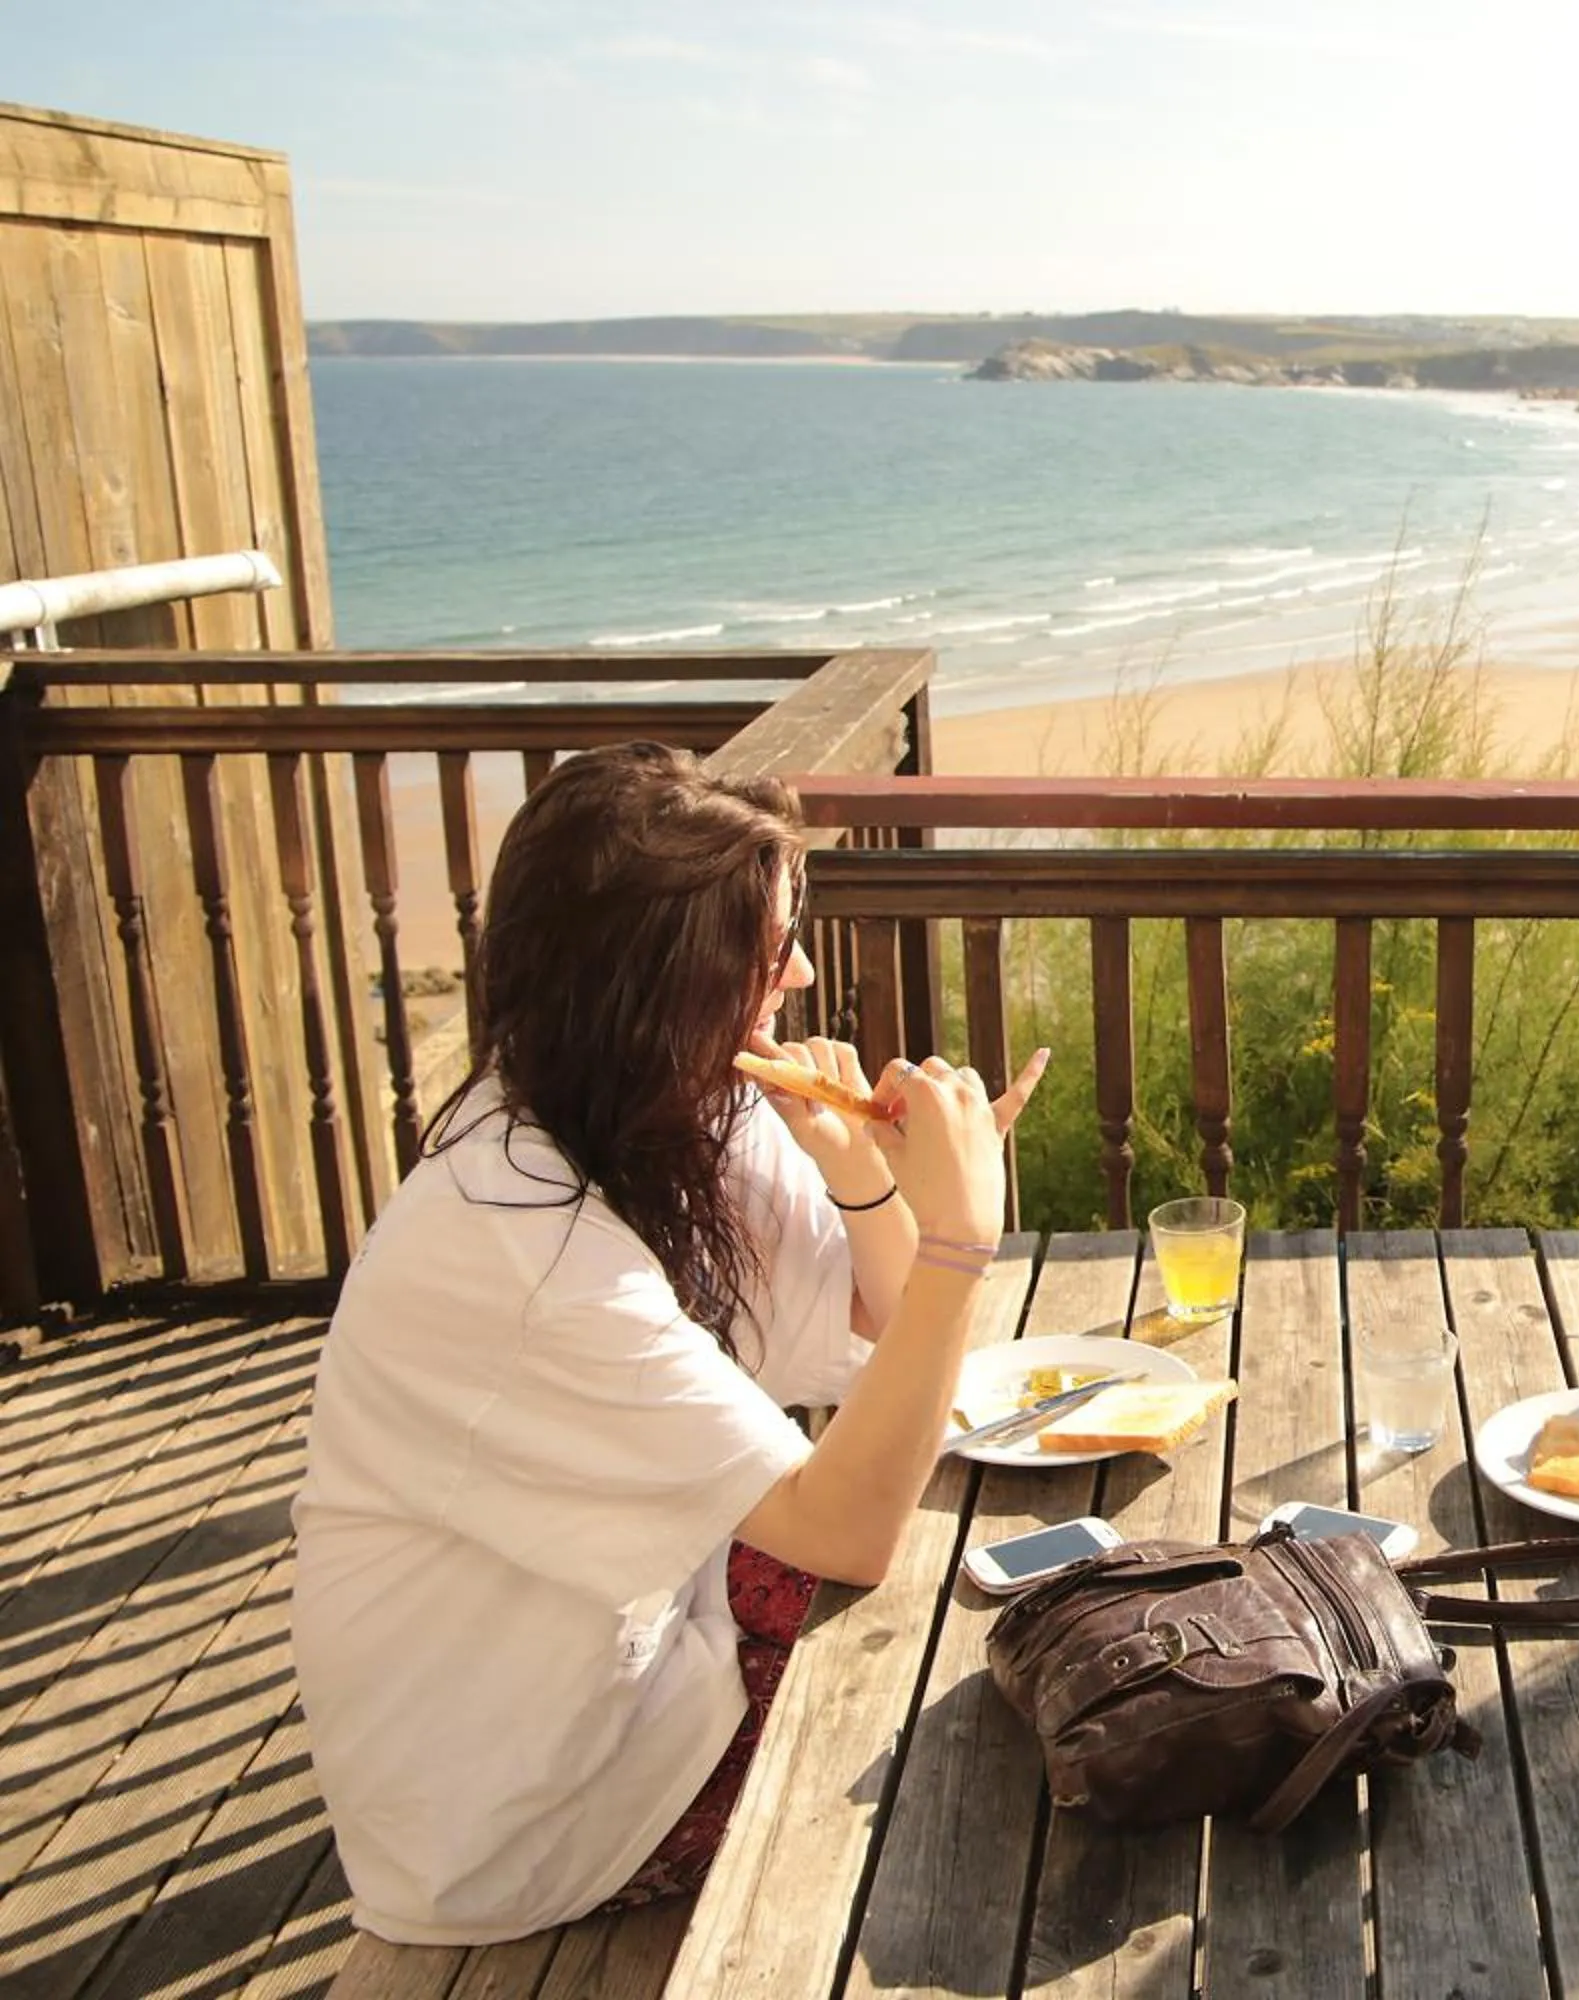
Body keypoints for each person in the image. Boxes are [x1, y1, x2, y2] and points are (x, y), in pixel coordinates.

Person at [291, 741, 1048, 1943]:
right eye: (771, 949)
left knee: (993, 1605)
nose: (802, 974)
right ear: (658, 982)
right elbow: (848, 1527)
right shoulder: (518, 1246)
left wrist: (859, 1171)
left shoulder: (653, 1104)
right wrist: (961, 1240)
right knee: (963, 1725)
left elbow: (880, 1326)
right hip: (522, 1801)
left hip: (624, 1639)